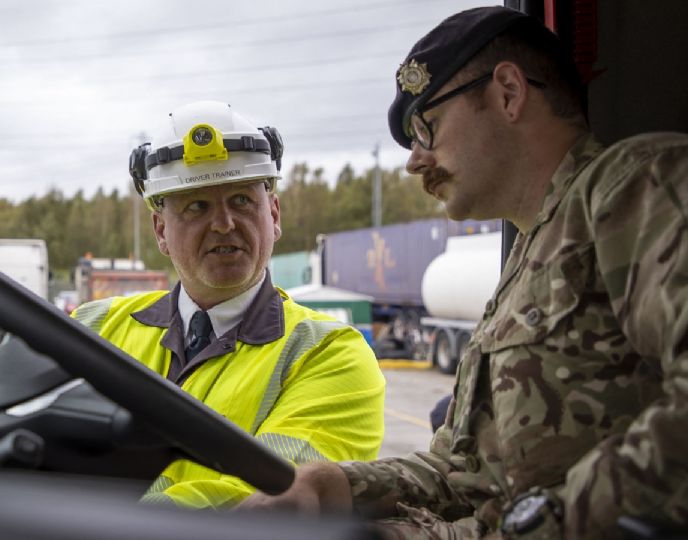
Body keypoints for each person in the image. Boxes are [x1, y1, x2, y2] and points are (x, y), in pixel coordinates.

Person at [239, 6, 688, 538]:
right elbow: (463, 471)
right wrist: (332, 485)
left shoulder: (633, 185)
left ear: (508, 93)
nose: (414, 161)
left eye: (426, 127)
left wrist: (536, 525)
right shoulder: (528, 257)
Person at [0, 100, 386, 509]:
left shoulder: (332, 356)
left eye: (241, 199)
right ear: (161, 231)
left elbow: (274, 495)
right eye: (194, 208)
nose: (224, 223)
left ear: (274, 216)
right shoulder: (95, 327)